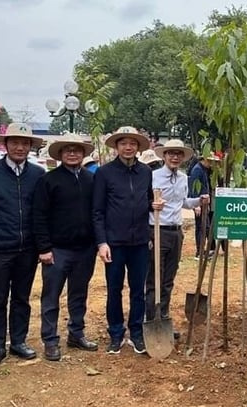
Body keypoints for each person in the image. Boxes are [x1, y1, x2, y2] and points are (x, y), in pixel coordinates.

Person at [0, 123, 45, 366]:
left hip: (28, 248)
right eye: (15, 142)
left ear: (30, 147)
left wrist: (41, 244)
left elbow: (41, 212)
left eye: (25, 143)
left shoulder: (37, 174)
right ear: (6, 144)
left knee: (22, 298)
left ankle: (18, 341)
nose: (20, 147)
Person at [93, 126, 163, 355]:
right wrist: (101, 242)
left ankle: (136, 332)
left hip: (140, 242)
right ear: (116, 146)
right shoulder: (105, 173)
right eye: (123, 143)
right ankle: (115, 333)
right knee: (114, 289)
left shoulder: (145, 172)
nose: (128, 147)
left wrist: (154, 207)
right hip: (114, 243)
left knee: (137, 290)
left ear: (138, 147)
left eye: (132, 143)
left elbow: (147, 200)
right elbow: (97, 211)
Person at [33, 135, 97, 362]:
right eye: (67, 150)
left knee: (79, 294)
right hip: (57, 249)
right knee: (51, 296)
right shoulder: (49, 180)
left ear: (83, 154)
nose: (72, 153)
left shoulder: (91, 179)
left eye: (77, 150)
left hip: (85, 249)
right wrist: (44, 248)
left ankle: (76, 333)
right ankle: (50, 340)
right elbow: (38, 216)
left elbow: (97, 213)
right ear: (60, 154)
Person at [146, 140, 209, 339]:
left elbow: (183, 203)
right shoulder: (152, 177)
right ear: (164, 156)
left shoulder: (183, 178)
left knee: (168, 280)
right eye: (171, 154)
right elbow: (143, 201)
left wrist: (199, 200)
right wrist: (152, 204)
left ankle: (163, 318)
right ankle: (149, 320)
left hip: (176, 232)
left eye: (178, 154)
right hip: (156, 231)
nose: (174, 157)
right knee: (154, 279)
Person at [188, 152, 220, 259]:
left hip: (204, 203)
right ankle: (199, 252)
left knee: (205, 226)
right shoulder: (197, 170)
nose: (211, 164)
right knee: (201, 228)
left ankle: (203, 250)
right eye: (210, 161)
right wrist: (196, 205)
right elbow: (193, 187)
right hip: (199, 203)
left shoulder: (203, 170)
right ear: (204, 159)